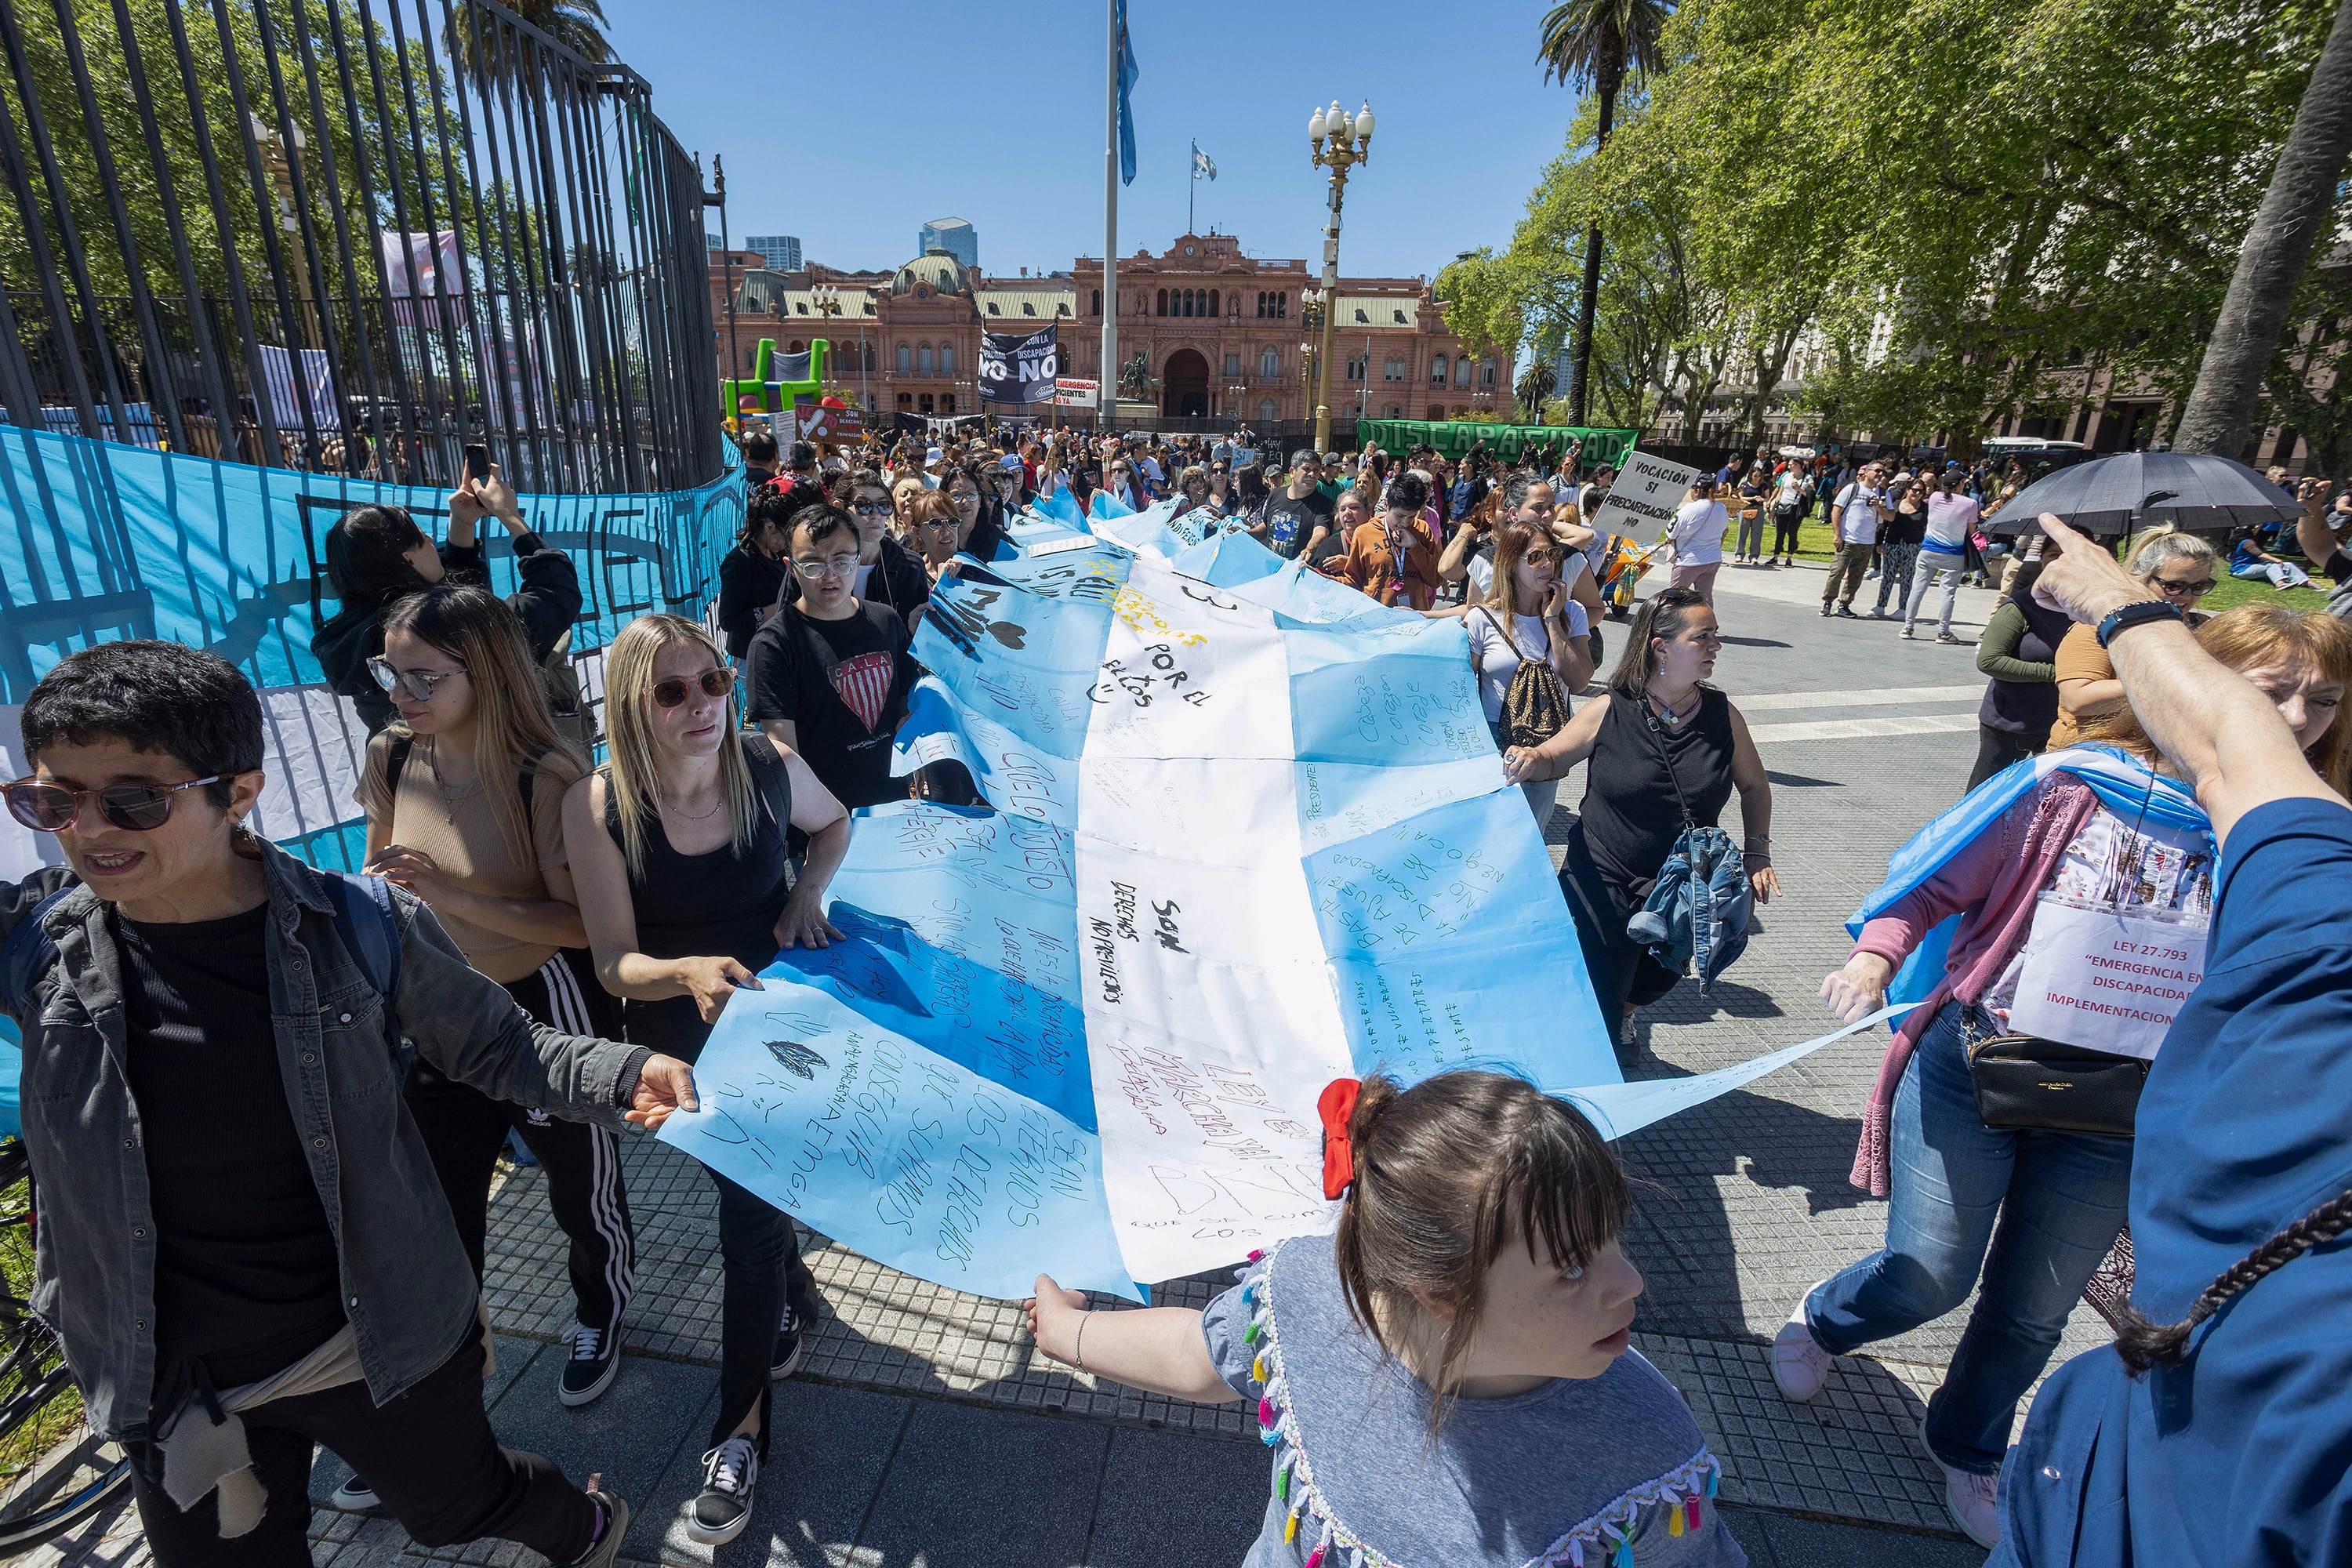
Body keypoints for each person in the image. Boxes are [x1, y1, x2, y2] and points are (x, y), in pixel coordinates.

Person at [2, 640, 697, 1568]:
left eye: (133, 797)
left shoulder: (356, 926)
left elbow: (500, 1043)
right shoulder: (38, 946)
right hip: (169, 1372)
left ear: (239, 791)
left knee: (456, 1507)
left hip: (374, 1337)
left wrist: (619, 1074)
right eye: (52, 800)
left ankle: (584, 1522)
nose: (87, 830)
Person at [1816, 514, 2352, 1568]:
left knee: (2032, 1312)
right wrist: (1877, 958)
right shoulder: (2070, 789)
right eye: (2267, 697)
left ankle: (1967, 1445)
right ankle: (1827, 1318)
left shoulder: (2308, 856)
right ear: (2193, 697)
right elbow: (1934, 881)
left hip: (2119, 1118)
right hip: (1982, 1071)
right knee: (1929, 1272)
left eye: (2321, 700)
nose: (2294, 719)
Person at [1022, 1069, 1744, 1568]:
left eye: (1614, 1235)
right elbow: (1199, 1354)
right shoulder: (1301, 1291)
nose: (1632, 1283)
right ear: (1440, 1291)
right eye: (1574, 1268)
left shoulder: (1645, 1447)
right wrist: (1070, 1335)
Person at [562, 615, 850, 1547]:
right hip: (676, 1034)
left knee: (751, 1217)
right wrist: (683, 969)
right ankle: (794, 1297)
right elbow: (612, 961)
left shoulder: (767, 762)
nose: (701, 706)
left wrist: (809, 889)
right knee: (752, 1202)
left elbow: (835, 822)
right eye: (672, 690)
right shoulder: (598, 802)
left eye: (713, 682)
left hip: (777, 1017)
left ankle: (738, 1434)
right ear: (631, 706)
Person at [353, 582, 633, 1436]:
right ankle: (442, 1372)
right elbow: (379, 873)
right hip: (431, 1009)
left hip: (538, 1007)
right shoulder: (392, 755)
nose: (399, 694)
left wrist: (450, 895)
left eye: (422, 677)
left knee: (581, 1185)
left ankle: (601, 1311)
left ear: (483, 670)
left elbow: (581, 924)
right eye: (390, 672)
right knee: (437, 1200)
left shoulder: (545, 774)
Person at [1502, 589, 1778, 1054]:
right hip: (1601, 878)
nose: (1716, 646)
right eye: (1703, 637)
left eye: (1716, 636)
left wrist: (1757, 853)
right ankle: (1592, 1089)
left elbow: (1754, 786)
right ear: (1661, 647)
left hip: (1681, 887)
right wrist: (1531, 757)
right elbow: (1554, 756)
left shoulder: (1722, 715)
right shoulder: (1610, 708)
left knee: (1656, 979)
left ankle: (1624, 1014)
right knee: (1600, 992)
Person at [314, 466, 581, 735]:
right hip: (484, 768)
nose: (432, 539)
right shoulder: (439, 628)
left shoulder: (346, 641)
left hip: (407, 771)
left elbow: (461, 601)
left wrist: (462, 523)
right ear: (409, 559)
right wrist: (509, 515)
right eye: (421, 537)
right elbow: (556, 593)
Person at [745, 503, 917, 814]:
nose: (829, 576)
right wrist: (827, 827)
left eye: (841, 562)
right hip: (822, 822)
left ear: (857, 559)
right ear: (791, 567)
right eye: (812, 565)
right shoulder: (773, 645)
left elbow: (906, 700)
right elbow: (785, 755)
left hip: (896, 811)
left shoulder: (887, 621)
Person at [1466, 520, 1594, 826]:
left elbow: (1579, 681)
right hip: (1493, 739)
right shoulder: (1482, 618)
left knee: (1531, 833)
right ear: (1510, 563)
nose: (1547, 565)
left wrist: (1552, 621)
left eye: (1552, 555)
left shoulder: (1571, 612)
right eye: (1535, 557)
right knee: (1487, 832)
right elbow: (1462, 689)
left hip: (1546, 740)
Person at [2045, 529, 2218, 750]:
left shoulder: (2203, 627)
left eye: (2199, 587)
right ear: (2140, 578)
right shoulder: (2098, 627)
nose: (2186, 596)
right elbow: (2078, 700)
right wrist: (2172, 680)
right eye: (2174, 586)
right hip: (2088, 759)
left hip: (2162, 757)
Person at [1967, 551, 2075, 789]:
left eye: (2072, 552)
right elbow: (1989, 660)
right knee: (1987, 795)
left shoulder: (2091, 610)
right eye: (2054, 553)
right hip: (2013, 721)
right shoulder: (2021, 606)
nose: (2063, 559)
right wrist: (2057, 674)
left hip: (2067, 723)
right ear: (2043, 560)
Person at [716, 480, 817, 660]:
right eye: (787, 537)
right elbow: (728, 620)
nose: (790, 544)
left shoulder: (777, 553)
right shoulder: (740, 562)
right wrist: (769, 611)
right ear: (770, 527)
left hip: (783, 646)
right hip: (753, 654)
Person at [842, 468, 933, 633]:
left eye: (884, 505)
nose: (876, 514)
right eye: (864, 506)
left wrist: (909, 628)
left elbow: (920, 639)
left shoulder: (909, 565)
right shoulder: (818, 563)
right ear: (840, 509)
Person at [1341, 471, 1443, 611]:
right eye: (1399, 516)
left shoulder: (1422, 529)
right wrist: (1319, 577)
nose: (1405, 523)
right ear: (1387, 504)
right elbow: (1353, 581)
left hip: (1414, 620)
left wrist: (1414, 547)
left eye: (1411, 517)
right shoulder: (1364, 533)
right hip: (1375, 618)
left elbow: (1436, 580)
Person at [1904, 468, 1978, 643]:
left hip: (1928, 550)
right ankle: (1943, 632)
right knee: (1947, 593)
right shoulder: (1970, 503)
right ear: (1960, 484)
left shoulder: (1936, 497)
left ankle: (1907, 627)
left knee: (1917, 589)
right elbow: (1971, 529)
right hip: (1953, 553)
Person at [1819, 461, 1888, 618]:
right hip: (1847, 539)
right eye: (1877, 470)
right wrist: (1838, 535)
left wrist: (1879, 507)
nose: (1880, 474)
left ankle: (1844, 605)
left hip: (1868, 541)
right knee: (1837, 572)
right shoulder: (1852, 488)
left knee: (1856, 576)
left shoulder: (1883, 493)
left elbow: (1890, 516)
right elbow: (1836, 511)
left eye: (1883, 472)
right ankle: (1828, 602)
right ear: (1867, 472)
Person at [1260, 451, 1336, 561]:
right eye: (1307, 469)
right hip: (1270, 568)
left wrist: (1310, 549)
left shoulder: (1325, 504)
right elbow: (1266, 527)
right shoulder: (1275, 494)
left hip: (1299, 571)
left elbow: (1321, 532)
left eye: (1316, 470)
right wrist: (1244, 533)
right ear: (1292, 472)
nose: (1312, 474)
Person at [1871, 474, 1928, 621]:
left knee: (1907, 578)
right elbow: (1883, 525)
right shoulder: (1896, 505)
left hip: (1912, 546)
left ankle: (1903, 608)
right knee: (1887, 575)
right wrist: (1879, 543)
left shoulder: (1925, 509)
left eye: (1921, 492)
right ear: (1908, 490)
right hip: (1892, 543)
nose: (1917, 494)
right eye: (1914, 490)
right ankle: (1880, 605)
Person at [1665, 479, 1730, 604]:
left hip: (1689, 561)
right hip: (1713, 559)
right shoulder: (1722, 508)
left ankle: (1672, 623)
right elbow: (1724, 531)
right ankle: (1707, 622)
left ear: (1698, 491)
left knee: (1674, 598)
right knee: (1705, 599)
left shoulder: (1689, 509)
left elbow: (1670, 533)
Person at [1767, 462, 1811, 567]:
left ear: (1799, 465)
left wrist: (1799, 488)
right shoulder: (1786, 476)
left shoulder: (1806, 477)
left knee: (1792, 532)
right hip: (1783, 505)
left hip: (1795, 506)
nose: (1789, 466)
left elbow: (1809, 493)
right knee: (1780, 533)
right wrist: (1774, 507)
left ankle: (1789, 558)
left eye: (1792, 464)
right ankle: (1776, 557)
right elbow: (1780, 492)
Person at [1732, 464, 1769, 564]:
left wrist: (1763, 499)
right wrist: (1753, 498)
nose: (1757, 478)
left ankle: (1754, 555)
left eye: (1759, 476)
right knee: (1742, 532)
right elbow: (1741, 497)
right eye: (1755, 476)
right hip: (1745, 509)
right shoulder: (1745, 485)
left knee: (1757, 534)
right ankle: (1739, 554)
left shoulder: (1764, 486)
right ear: (1751, 476)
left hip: (1758, 509)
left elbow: (1767, 497)